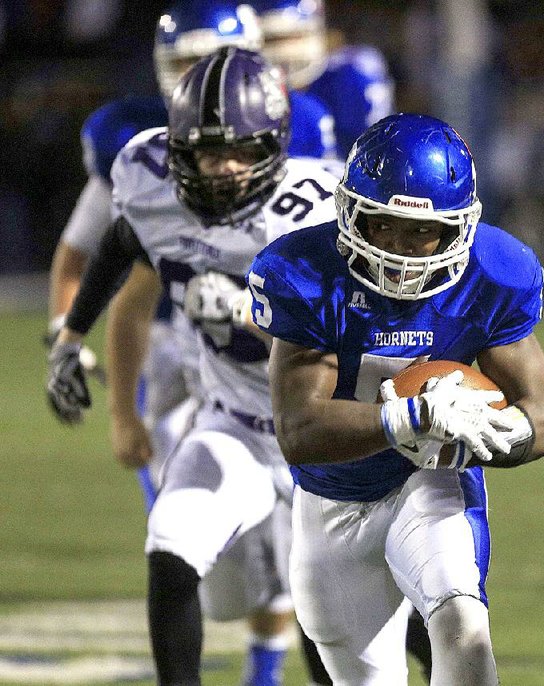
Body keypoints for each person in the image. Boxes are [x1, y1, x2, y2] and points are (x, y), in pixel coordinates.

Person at [46, 47, 342, 686]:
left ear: (274, 150)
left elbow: (355, 339)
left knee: (337, 618)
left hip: (327, 436)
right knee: (171, 549)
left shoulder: (320, 213)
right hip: (233, 424)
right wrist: (70, 337)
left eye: (240, 151)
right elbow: (120, 244)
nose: (224, 169)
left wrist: (255, 313)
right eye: (207, 151)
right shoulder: (148, 179)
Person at [244, 112, 544, 684]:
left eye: (423, 230)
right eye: (384, 224)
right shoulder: (302, 272)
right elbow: (299, 431)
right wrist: (412, 417)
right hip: (334, 502)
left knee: (464, 631)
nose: (401, 246)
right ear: (351, 215)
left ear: (459, 227)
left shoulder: (497, 271)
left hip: (432, 480)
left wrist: (500, 433)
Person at [252, 0, 395, 159]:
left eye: (297, 36)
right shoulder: (253, 91)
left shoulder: (349, 76)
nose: (288, 50)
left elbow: (376, 156)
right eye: (273, 39)